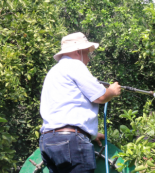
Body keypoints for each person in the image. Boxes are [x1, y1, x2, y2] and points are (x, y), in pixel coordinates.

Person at [39, 32, 121, 173]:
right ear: (78, 51)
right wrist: (112, 92)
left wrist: (92, 134)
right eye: (87, 54)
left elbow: (66, 109)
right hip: (70, 141)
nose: (88, 60)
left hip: (48, 142)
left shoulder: (54, 72)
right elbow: (100, 97)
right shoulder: (74, 65)